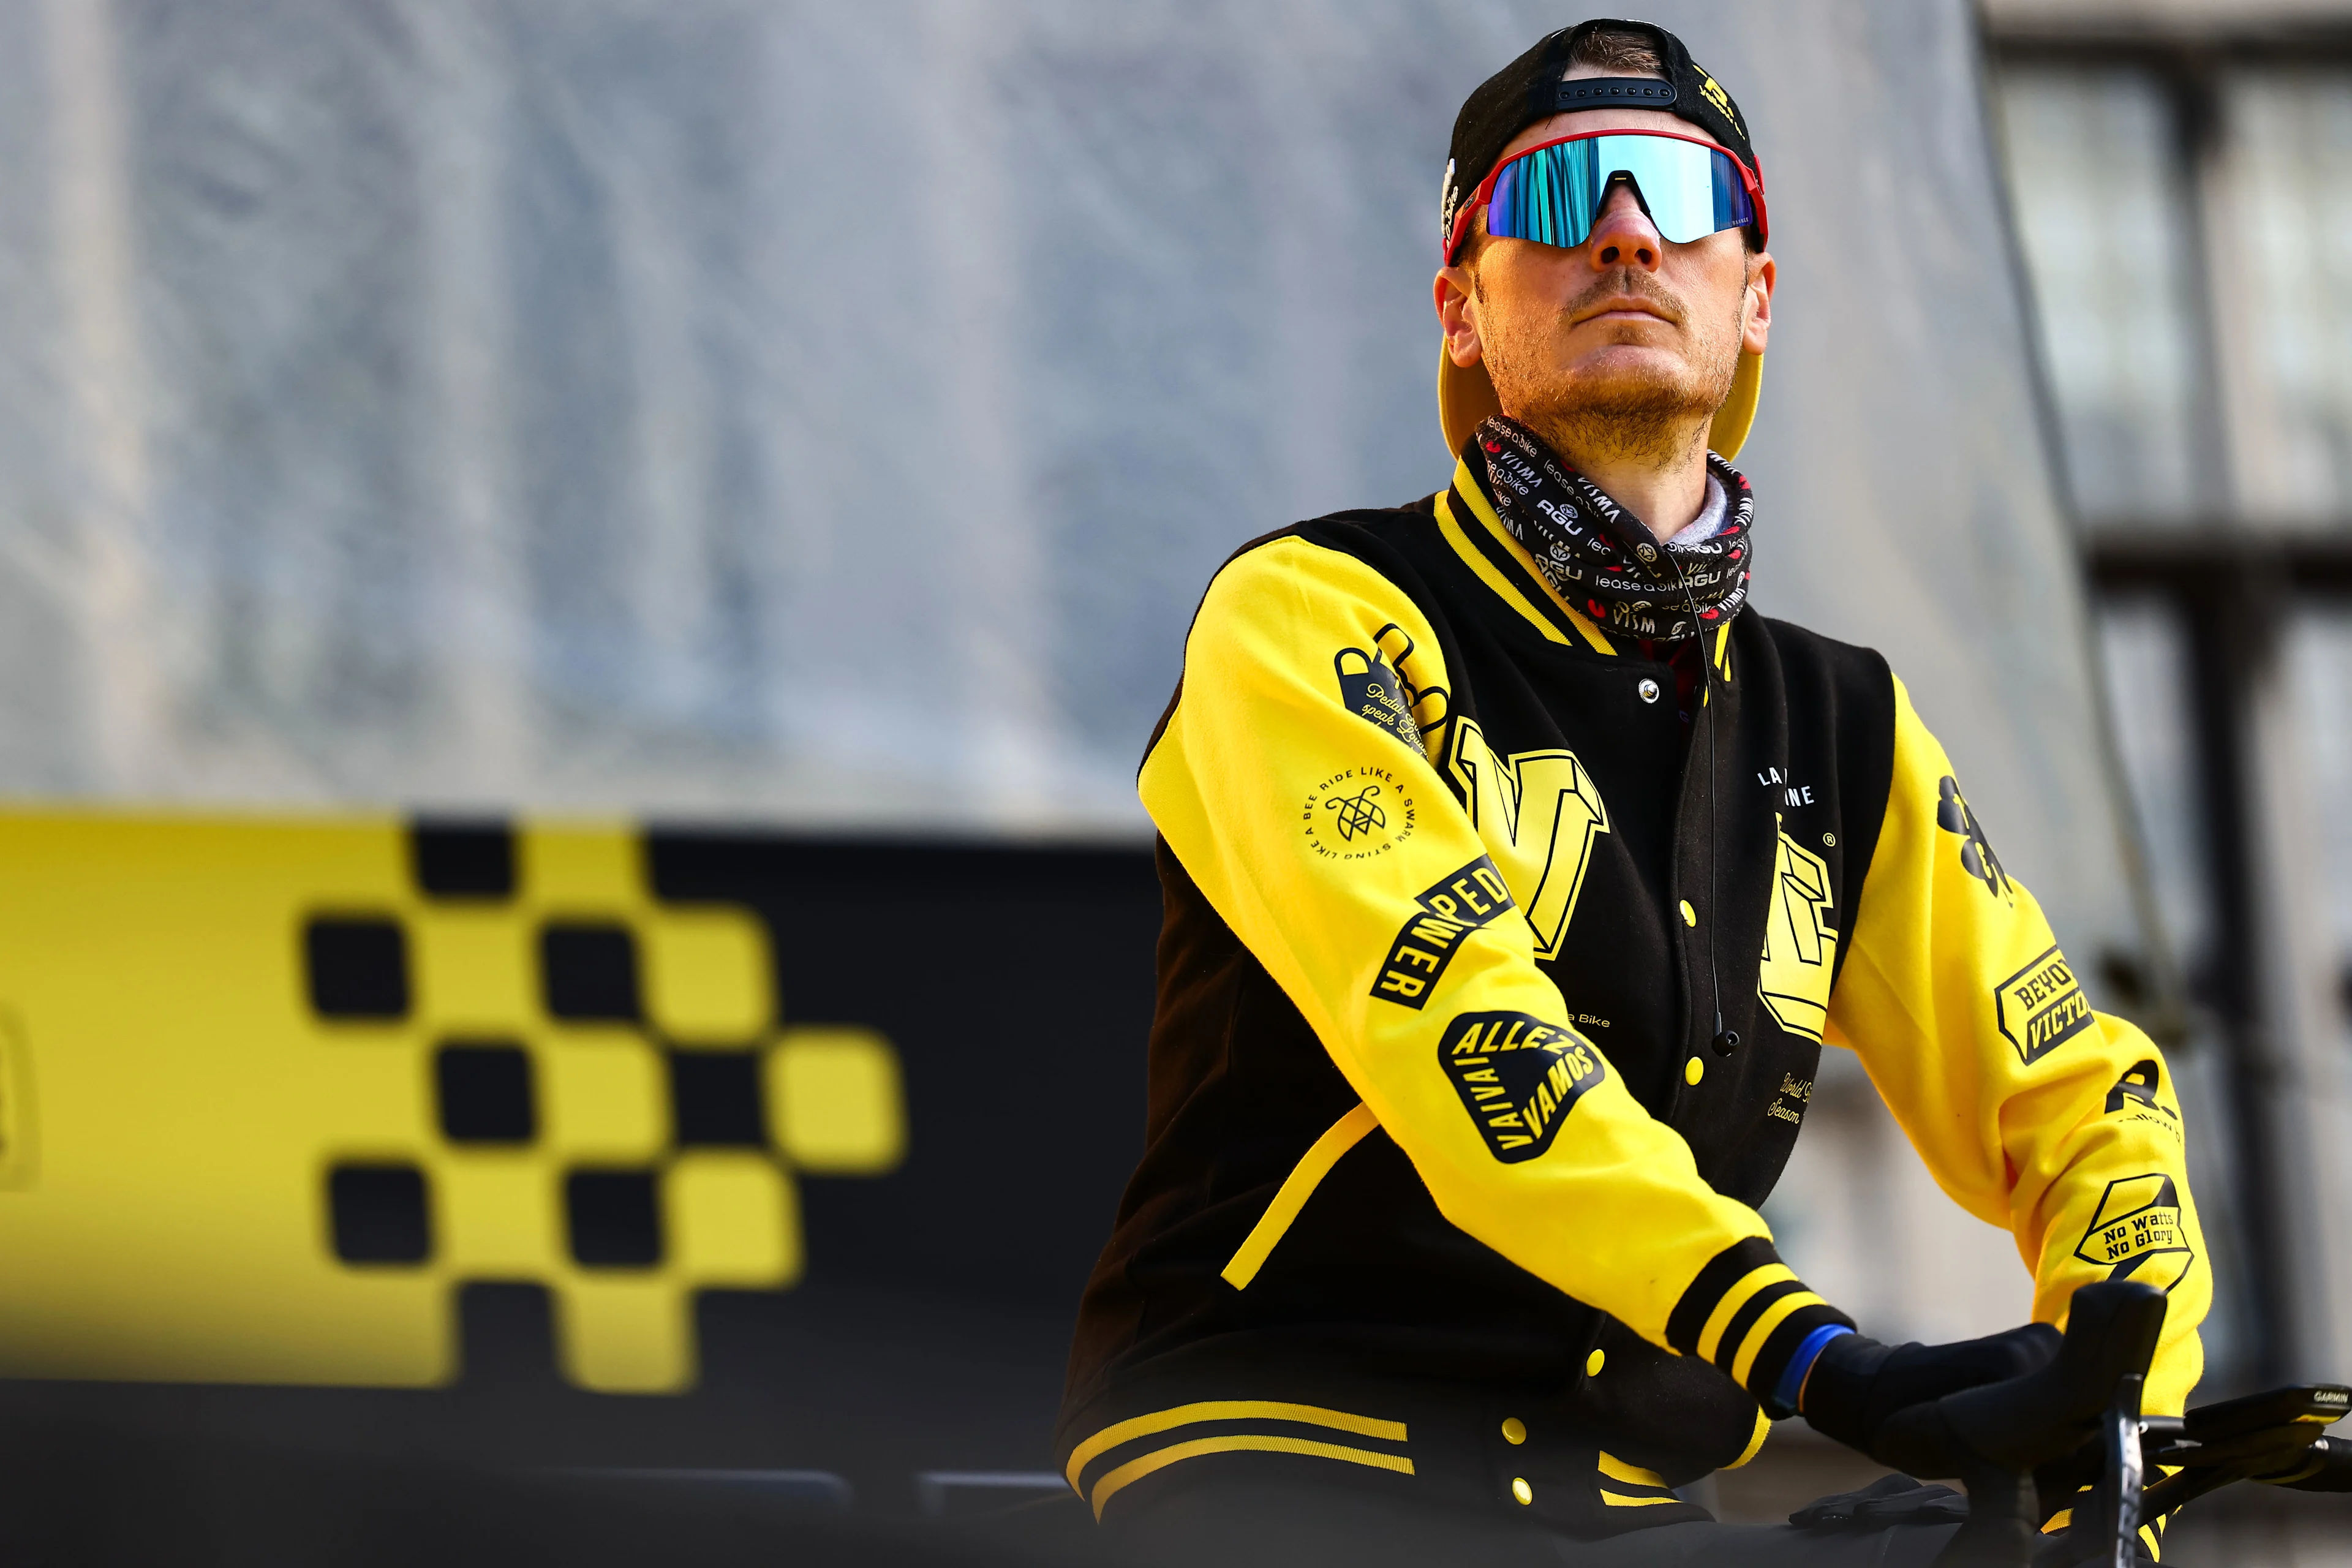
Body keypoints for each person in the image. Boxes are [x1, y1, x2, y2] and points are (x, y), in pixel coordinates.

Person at [1054, 18, 2209, 1566]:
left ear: (1755, 298)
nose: (1621, 232)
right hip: (1282, 1446)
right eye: (1555, 198)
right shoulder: (1311, 614)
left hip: (1625, 1504)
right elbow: (1467, 1033)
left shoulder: (1841, 717)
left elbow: (2074, 1095)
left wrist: (2121, 1420)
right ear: (1461, 306)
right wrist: (1816, 1355)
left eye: (1676, 192)